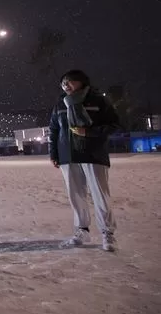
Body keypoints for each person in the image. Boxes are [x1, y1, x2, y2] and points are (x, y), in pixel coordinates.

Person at [48, 69, 120, 251]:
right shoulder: (60, 103)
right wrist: (54, 154)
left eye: (70, 81)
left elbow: (114, 125)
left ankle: (108, 233)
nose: (66, 85)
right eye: (63, 82)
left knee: (100, 195)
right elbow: (54, 130)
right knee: (76, 195)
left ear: (82, 82)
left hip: (93, 154)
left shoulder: (98, 101)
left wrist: (89, 132)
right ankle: (82, 230)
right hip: (68, 156)